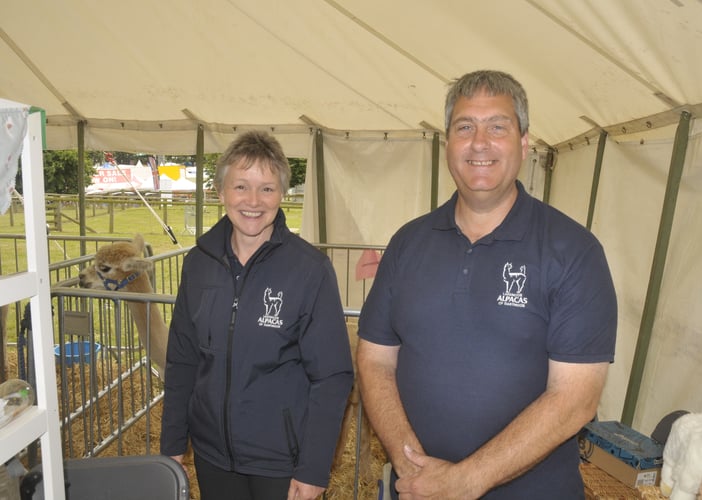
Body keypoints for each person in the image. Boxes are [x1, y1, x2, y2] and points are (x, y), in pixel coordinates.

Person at [356, 70, 618, 499]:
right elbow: (375, 360)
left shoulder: (573, 251)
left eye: (497, 126)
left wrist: (463, 482)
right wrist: (413, 468)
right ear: (447, 144)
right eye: (465, 127)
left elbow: (574, 400)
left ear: (524, 142)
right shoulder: (408, 243)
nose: (480, 142)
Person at [160, 130, 353, 500]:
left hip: (281, 462)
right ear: (221, 193)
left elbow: (332, 375)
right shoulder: (199, 264)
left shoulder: (309, 269)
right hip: (213, 456)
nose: (253, 201)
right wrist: (172, 442)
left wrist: (314, 468)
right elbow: (183, 359)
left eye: (266, 188)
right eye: (241, 187)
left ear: (282, 195)